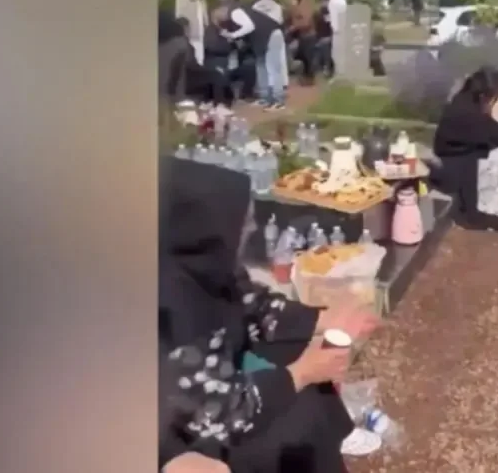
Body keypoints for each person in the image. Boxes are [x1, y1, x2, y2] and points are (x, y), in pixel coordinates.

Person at [159, 158, 379, 473]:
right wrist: (301, 372)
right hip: (179, 438)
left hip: (219, 384)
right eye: (242, 222)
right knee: (297, 424)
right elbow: (218, 414)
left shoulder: (205, 264)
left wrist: (324, 319)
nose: (252, 229)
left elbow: (252, 303)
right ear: (205, 228)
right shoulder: (171, 306)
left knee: (301, 356)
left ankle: (334, 438)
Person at [432, 66, 498, 231]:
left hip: (457, 164)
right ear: (486, 96)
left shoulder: (466, 103)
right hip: (453, 174)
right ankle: (489, 212)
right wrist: (497, 108)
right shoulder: (468, 116)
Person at [223, 1, 287, 110]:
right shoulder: (244, 11)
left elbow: (250, 26)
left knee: (272, 69)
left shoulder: (235, 12)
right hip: (263, 40)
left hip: (271, 35)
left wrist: (232, 35)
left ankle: (278, 100)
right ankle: (265, 97)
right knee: (261, 68)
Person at [177, 18, 230, 110]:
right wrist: (207, 69)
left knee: (212, 75)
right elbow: (190, 64)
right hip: (186, 78)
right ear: (185, 29)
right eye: (189, 28)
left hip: (182, 77)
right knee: (216, 76)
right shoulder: (182, 43)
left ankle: (208, 103)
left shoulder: (176, 42)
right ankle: (219, 105)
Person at [252, 0, 289, 90]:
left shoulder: (255, 6)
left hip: (261, 36)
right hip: (275, 33)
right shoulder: (277, 6)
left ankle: (267, 91)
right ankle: (281, 86)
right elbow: (280, 21)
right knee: (278, 63)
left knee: (264, 65)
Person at [175, 0, 209, 65]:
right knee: (191, 59)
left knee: (201, 58)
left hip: (201, 33)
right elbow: (179, 17)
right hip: (189, 34)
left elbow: (204, 14)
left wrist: (207, 25)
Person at [286, 0, 317, 85]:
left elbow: (306, 22)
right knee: (304, 57)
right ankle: (306, 78)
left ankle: (310, 79)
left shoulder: (304, 8)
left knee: (308, 58)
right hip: (303, 35)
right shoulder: (298, 7)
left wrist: (294, 27)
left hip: (308, 35)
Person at [325, 0, 347, 76]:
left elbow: (334, 14)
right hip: (340, 26)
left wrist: (334, 26)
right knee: (337, 50)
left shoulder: (334, 0)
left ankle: (339, 71)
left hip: (337, 28)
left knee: (337, 51)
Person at [313, 0, 333, 77]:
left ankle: (326, 68)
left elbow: (332, 26)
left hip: (328, 38)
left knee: (325, 48)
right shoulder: (318, 13)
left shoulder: (331, 12)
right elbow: (316, 26)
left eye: (326, 1)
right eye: (323, 1)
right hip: (319, 37)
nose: (324, 3)